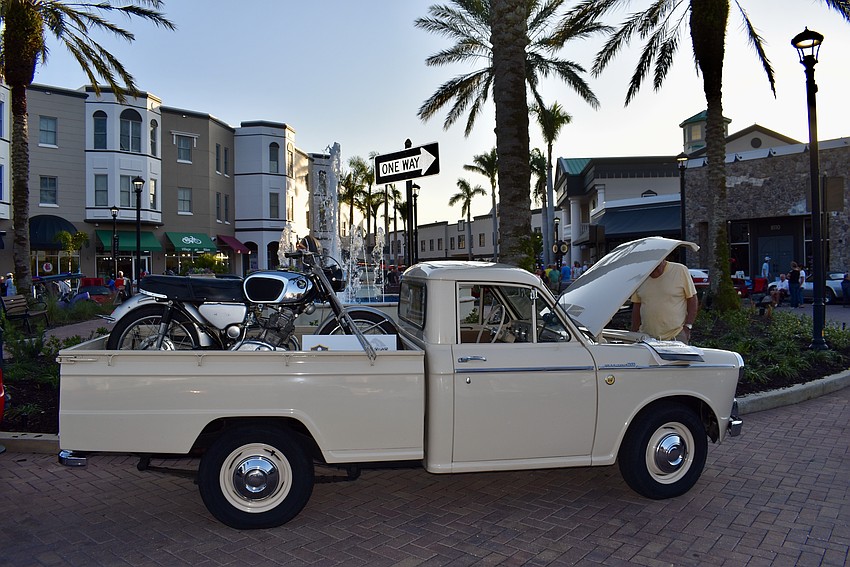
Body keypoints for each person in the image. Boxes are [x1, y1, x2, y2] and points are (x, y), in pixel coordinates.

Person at [630, 258, 698, 343]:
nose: (655, 273)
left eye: (657, 268)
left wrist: (687, 327)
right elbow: (637, 305)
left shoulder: (680, 270)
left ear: (663, 261)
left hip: (676, 335)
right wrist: (634, 332)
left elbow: (692, 299)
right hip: (646, 337)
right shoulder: (640, 276)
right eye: (651, 270)